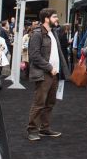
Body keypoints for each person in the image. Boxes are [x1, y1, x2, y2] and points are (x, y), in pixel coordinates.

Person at [26, 8, 69, 141]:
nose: (57, 19)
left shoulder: (53, 33)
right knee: (39, 103)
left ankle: (44, 128)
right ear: (46, 18)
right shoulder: (37, 34)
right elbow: (34, 56)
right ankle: (32, 130)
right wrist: (50, 68)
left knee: (50, 103)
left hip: (54, 74)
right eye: (55, 17)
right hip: (44, 74)